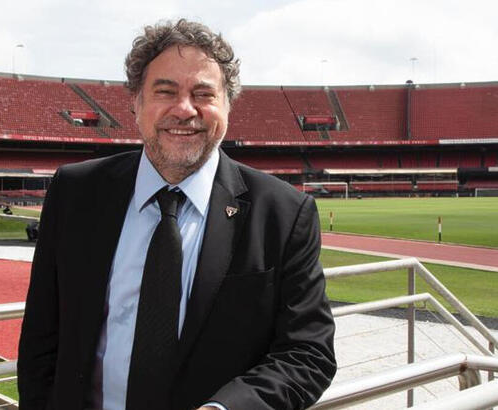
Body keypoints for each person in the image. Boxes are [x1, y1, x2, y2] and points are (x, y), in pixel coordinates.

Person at [18, 18, 336, 410]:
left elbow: (308, 353)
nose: (185, 110)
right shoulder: (76, 192)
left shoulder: (283, 214)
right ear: (136, 103)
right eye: (165, 91)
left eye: (203, 94)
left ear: (227, 106)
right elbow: (40, 339)